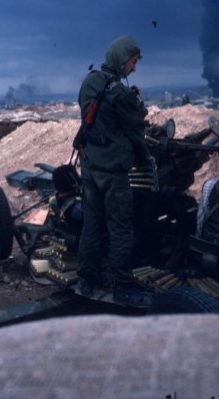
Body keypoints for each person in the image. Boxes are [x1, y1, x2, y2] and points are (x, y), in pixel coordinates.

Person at [75, 34, 152, 308]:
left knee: (92, 225)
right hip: (112, 171)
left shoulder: (90, 81)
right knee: (120, 228)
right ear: (122, 60)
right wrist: (145, 159)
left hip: (89, 167)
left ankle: (86, 280)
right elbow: (135, 128)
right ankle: (122, 286)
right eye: (132, 62)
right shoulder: (119, 92)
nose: (133, 68)